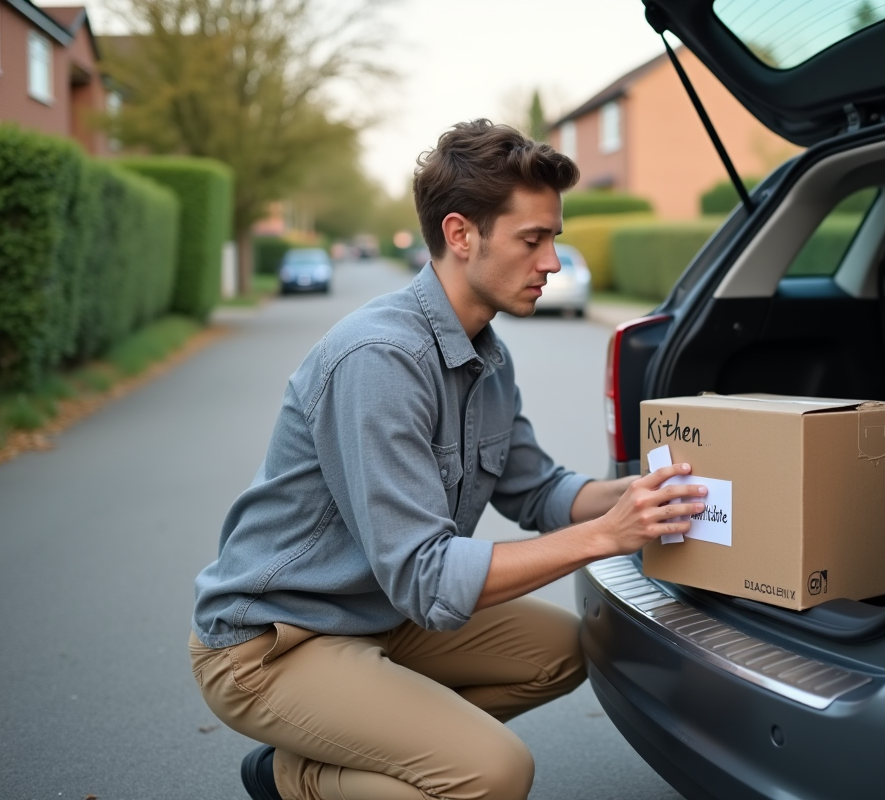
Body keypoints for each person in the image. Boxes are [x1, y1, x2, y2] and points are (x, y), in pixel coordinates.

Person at [189, 119, 707, 800]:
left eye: (555, 238)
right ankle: (307, 779)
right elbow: (426, 576)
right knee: (493, 773)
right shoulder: (380, 360)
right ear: (461, 235)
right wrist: (606, 538)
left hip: (381, 615)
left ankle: (339, 761)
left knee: (565, 650)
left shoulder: (486, 353)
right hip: (275, 644)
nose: (552, 262)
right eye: (533, 239)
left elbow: (537, 490)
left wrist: (638, 496)